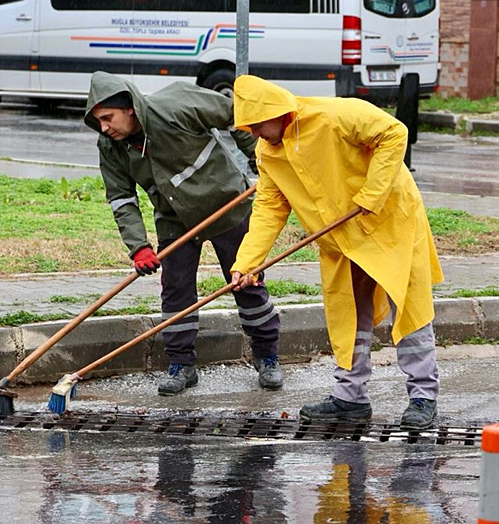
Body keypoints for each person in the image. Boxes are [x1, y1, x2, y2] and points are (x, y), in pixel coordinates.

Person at [228, 75, 443, 430]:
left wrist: (371, 196)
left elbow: (394, 133)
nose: (254, 133)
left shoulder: (334, 115)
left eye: (256, 124)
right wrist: (248, 263)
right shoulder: (268, 152)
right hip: (341, 240)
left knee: (408, 308)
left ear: (278, 111)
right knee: (346, 314)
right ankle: (350, 398)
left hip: (389, 224)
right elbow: (269, 207)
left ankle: (423, 397)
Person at [84, 71, 282, 396]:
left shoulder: (178, 103)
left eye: (108, 118)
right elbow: (122, 198)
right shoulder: (110, 145)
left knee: (246, 281)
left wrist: (263, 163)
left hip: (226, 204)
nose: (104, 127)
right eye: (99, 121)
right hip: (174, 219)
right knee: (176, 293)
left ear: (129, 107)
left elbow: (238, 116)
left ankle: (268, 356)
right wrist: (138, 247)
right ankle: (181, 366)